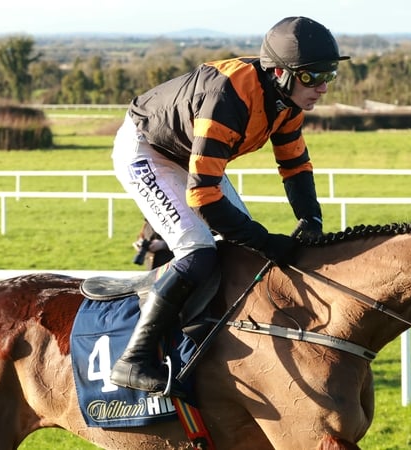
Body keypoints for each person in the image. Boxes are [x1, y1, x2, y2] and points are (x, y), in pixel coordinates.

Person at [110, 16, 349, 394]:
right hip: (148, 150)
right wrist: (267, 241)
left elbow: (295, 165)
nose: (322, 87)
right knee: (198, 250)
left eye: (329, 76)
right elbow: (203, 197)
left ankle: (208, 334)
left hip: (188, 151)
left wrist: (310, 219)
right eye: (312, 77)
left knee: (242, 251)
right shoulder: (227, 98)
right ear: (279, 73)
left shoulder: (287, 102)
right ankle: (133, 359)